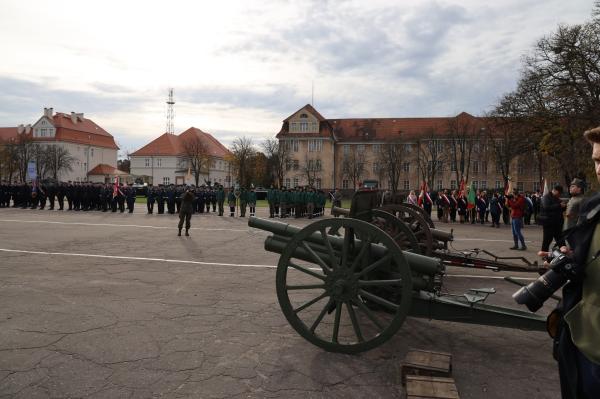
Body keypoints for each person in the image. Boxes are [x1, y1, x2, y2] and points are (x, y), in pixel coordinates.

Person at [542, 126, 600, 398]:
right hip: (581, 338)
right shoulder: (593, 209)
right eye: (597, 160)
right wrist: (567, 259)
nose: (598, 169)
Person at [539, 185, 567, 252]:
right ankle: (544, 253)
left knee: (560, 239)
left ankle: (564, 252)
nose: (559, 195)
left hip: (557, 223)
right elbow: (547, 207)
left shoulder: (557, 198)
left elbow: (559, 209)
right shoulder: (546, 197)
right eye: (559, 193)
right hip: (548, 222)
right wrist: (559, 205)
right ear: (555, 191)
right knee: (547, 239)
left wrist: (564, 206)